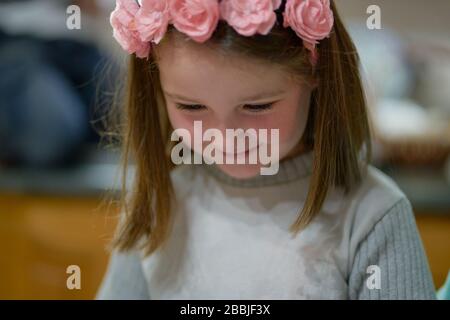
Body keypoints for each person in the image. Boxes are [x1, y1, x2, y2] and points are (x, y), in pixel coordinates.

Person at [96, 0, 436, 299]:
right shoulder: (159, 204)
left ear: (315, 71)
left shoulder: (372, 217)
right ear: (157, 88)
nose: (225, 137)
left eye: (256, 107)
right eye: (192, 107)